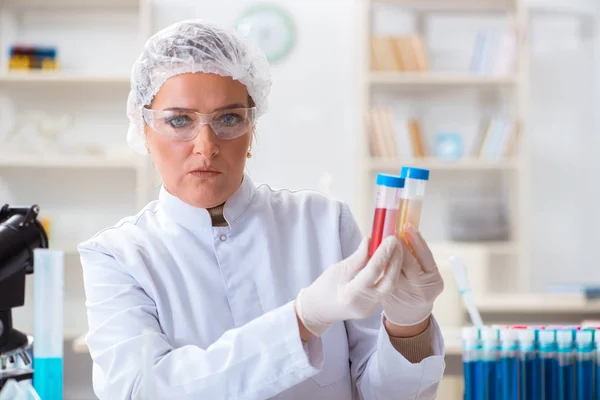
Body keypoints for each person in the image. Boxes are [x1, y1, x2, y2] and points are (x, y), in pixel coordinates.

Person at [78, 19, 446, 400]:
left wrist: (409, 326)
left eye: (228, 119)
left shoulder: (324, 224)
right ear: (145, 130)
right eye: (179, 120)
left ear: (252, 128)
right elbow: (143, 391)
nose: (206, 146)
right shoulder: (119, 256)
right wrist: (303, 319)